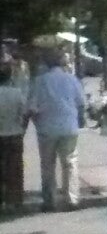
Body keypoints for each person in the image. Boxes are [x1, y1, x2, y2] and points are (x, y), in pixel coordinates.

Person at [26, 50, 88, 210]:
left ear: (46, 64)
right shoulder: (72, 79)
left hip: (46, 128)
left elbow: (32, 107)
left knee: (47, 165)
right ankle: (72, 198)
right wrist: (81, 119)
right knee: (70, 162)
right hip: (69, 126)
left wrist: (34, 121)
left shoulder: (39, 81)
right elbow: (81, 103)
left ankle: (49, 201)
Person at [0, 60, 29, 211]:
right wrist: (22, 129)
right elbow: (24, 114)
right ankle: (15, 200)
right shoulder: (17, 93)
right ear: (10, 76)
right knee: (15, 168)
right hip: (15, 134)